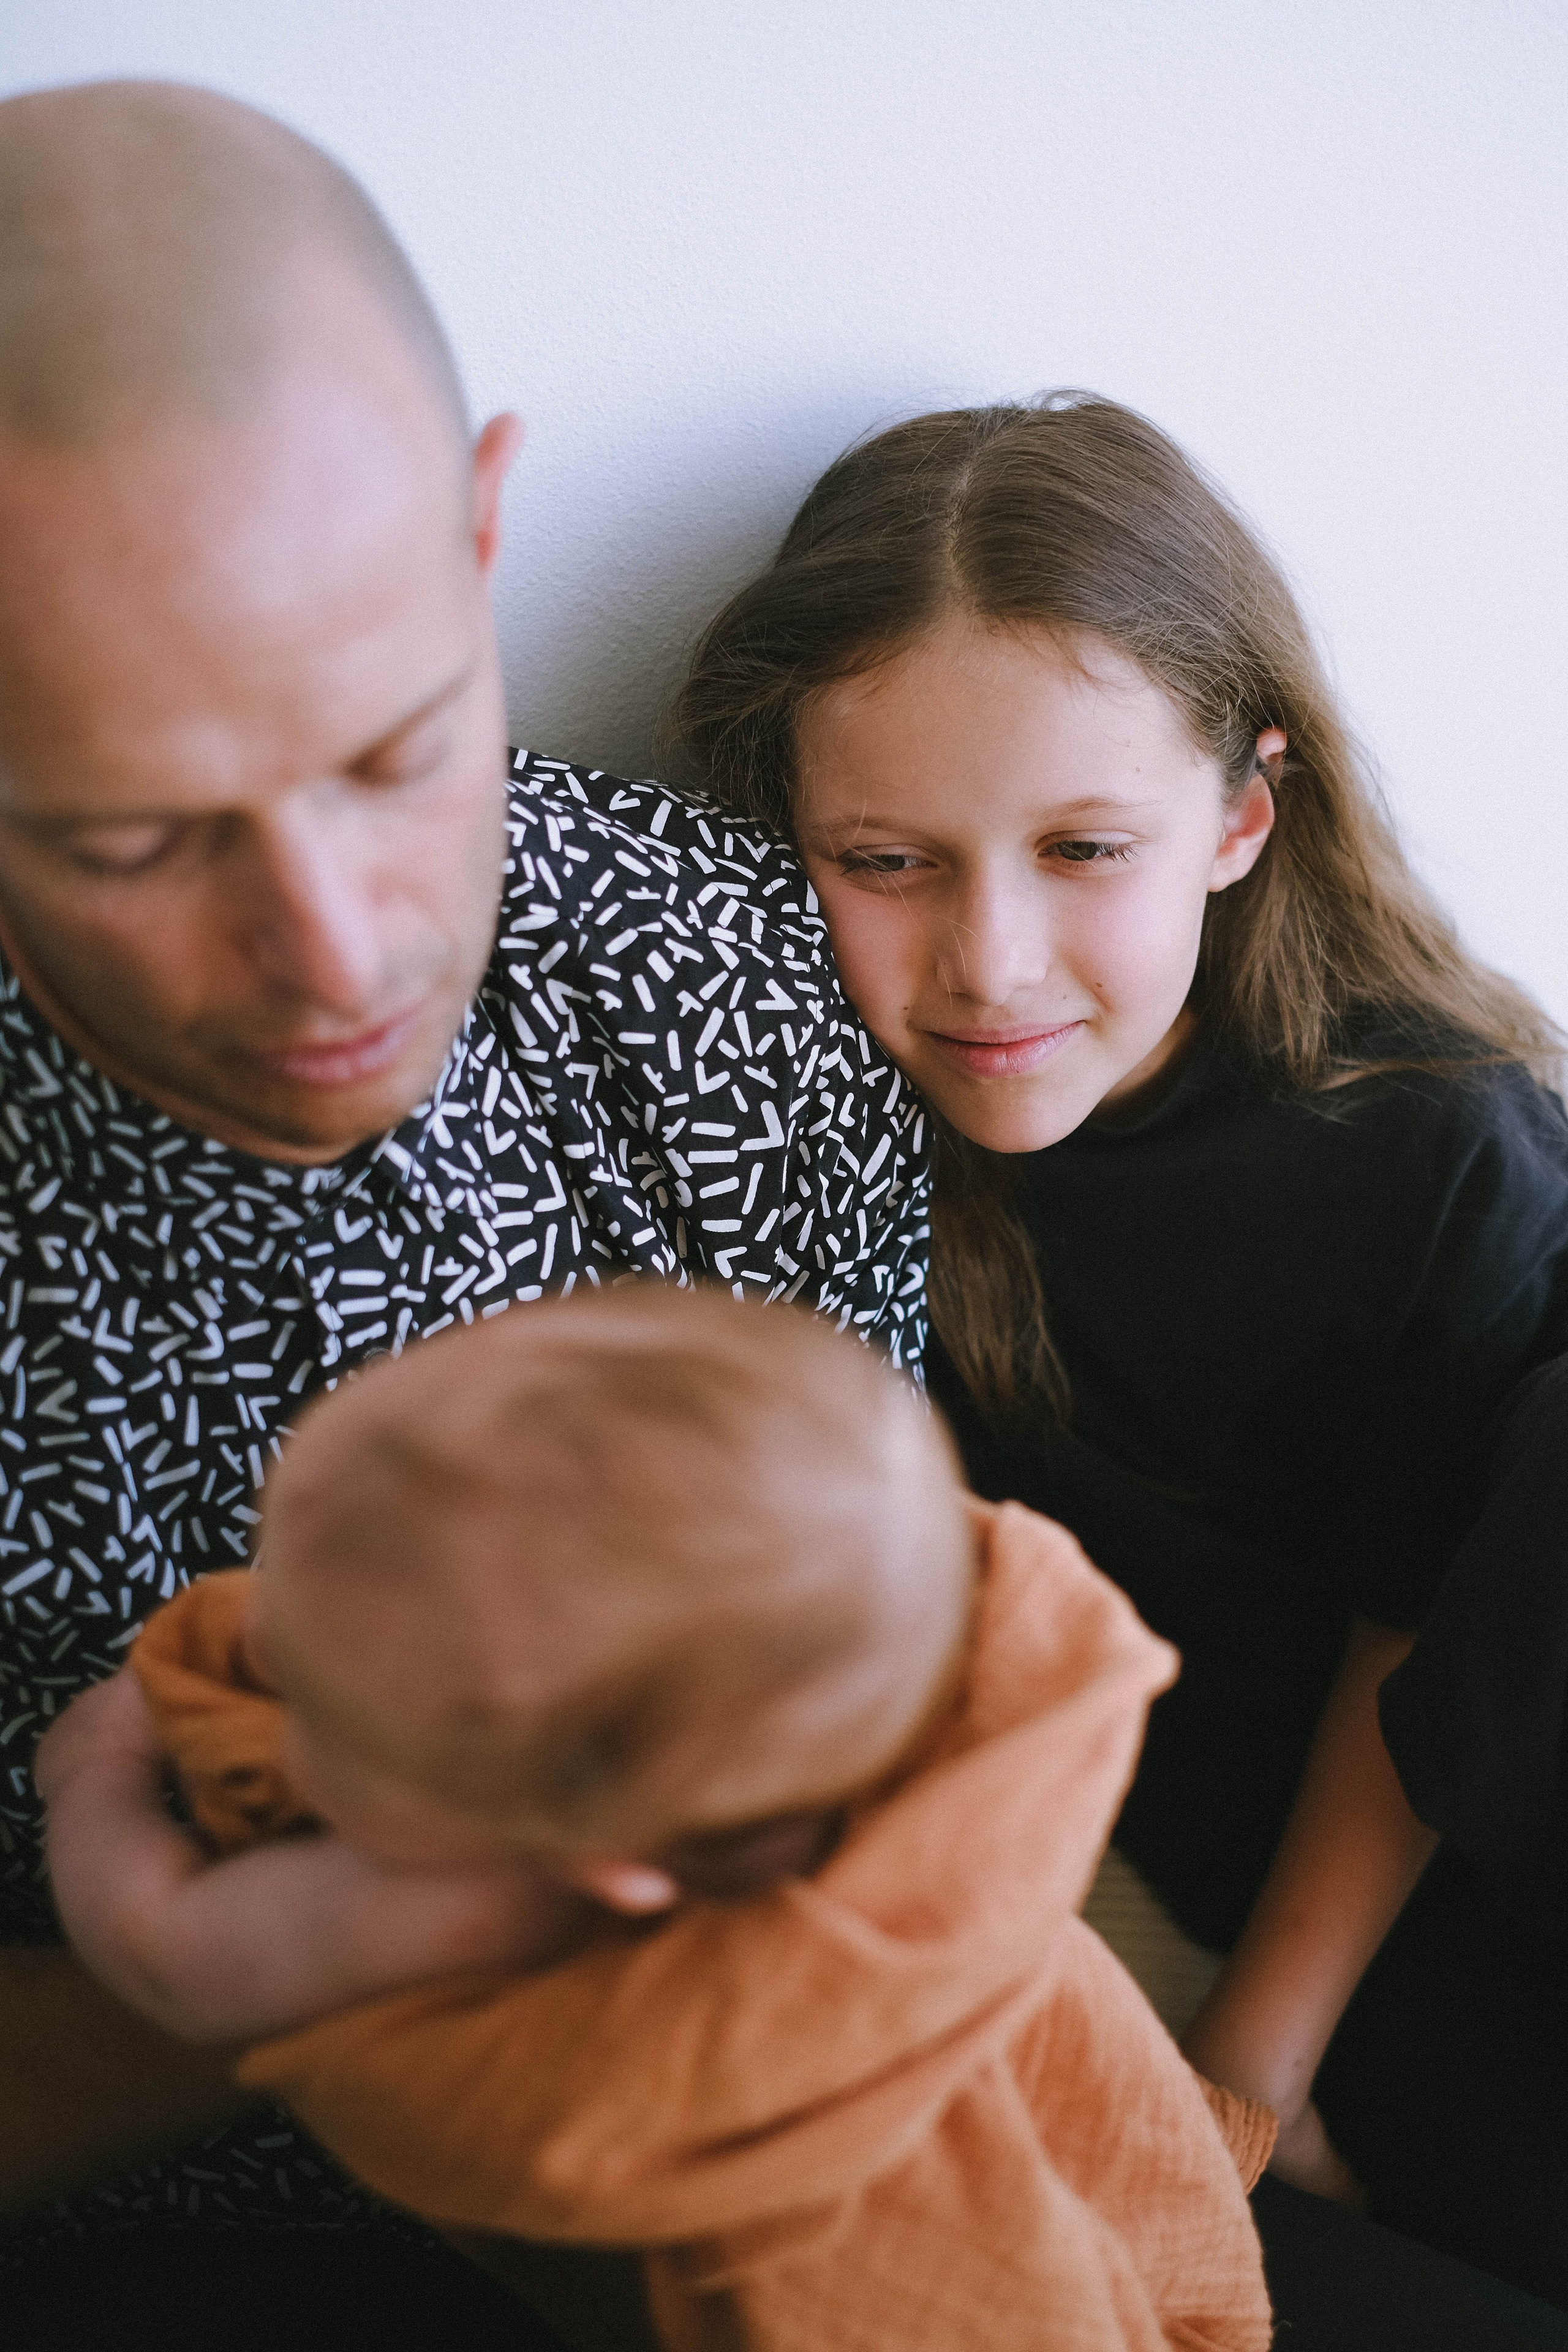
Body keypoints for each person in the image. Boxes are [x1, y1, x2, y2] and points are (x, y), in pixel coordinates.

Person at [0, 78, 926, 2337]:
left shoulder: (704, 974)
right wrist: (309, 1965)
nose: (335, 955)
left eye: (400, 751)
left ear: (482, 532)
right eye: (133, 841)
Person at [673, 395, 1568, 2301]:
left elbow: (1419, 1638)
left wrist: (1255, 2062)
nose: (988, 962)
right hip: (1156, 1857)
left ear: (1244, 816)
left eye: (1084, 847)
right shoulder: (790, 1107)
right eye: (888, 861)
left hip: (1445, 1863)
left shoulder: (1426, 1144)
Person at [56, 1280, 1276, 2352]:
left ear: (606, 1869)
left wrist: (94, 1769)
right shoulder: (964, 1728)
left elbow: (166, 1948)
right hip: (1128, 2191)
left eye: (338, 1717)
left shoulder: (472, 1910)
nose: (277, 1681)